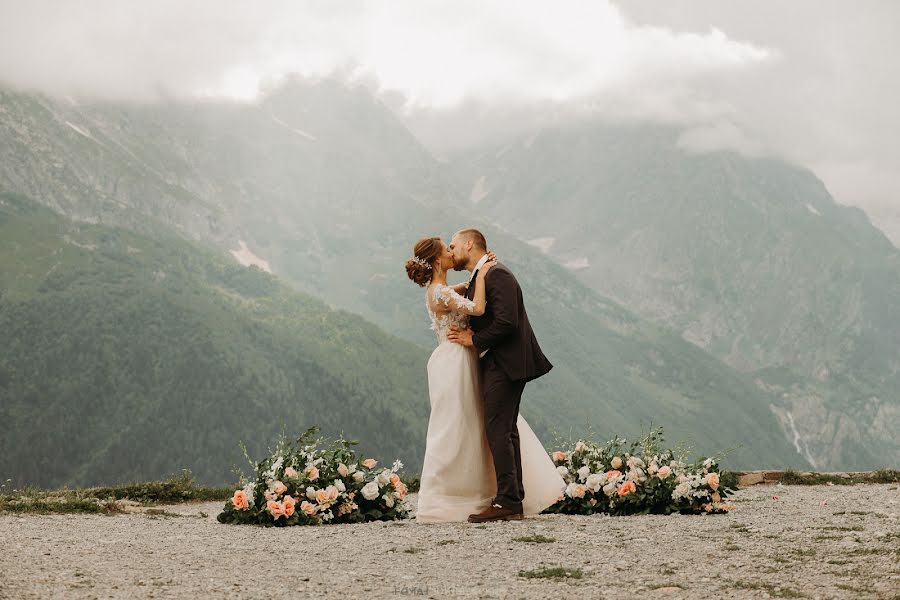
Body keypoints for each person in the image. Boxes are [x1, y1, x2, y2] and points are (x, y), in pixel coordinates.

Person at [404, 232, 563, 524]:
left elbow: (505, 321)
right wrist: (474, 335)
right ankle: (504, 497)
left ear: (468, 245)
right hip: (461, 360)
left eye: (454, 245)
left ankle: (508, 499)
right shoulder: (464, 282)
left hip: (490, 360)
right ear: (439, 259)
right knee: (475, 426)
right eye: (447, 249)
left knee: (493, 427)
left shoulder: (491, 275)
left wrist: (474, 337)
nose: (451, 251)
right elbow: (476, 307)